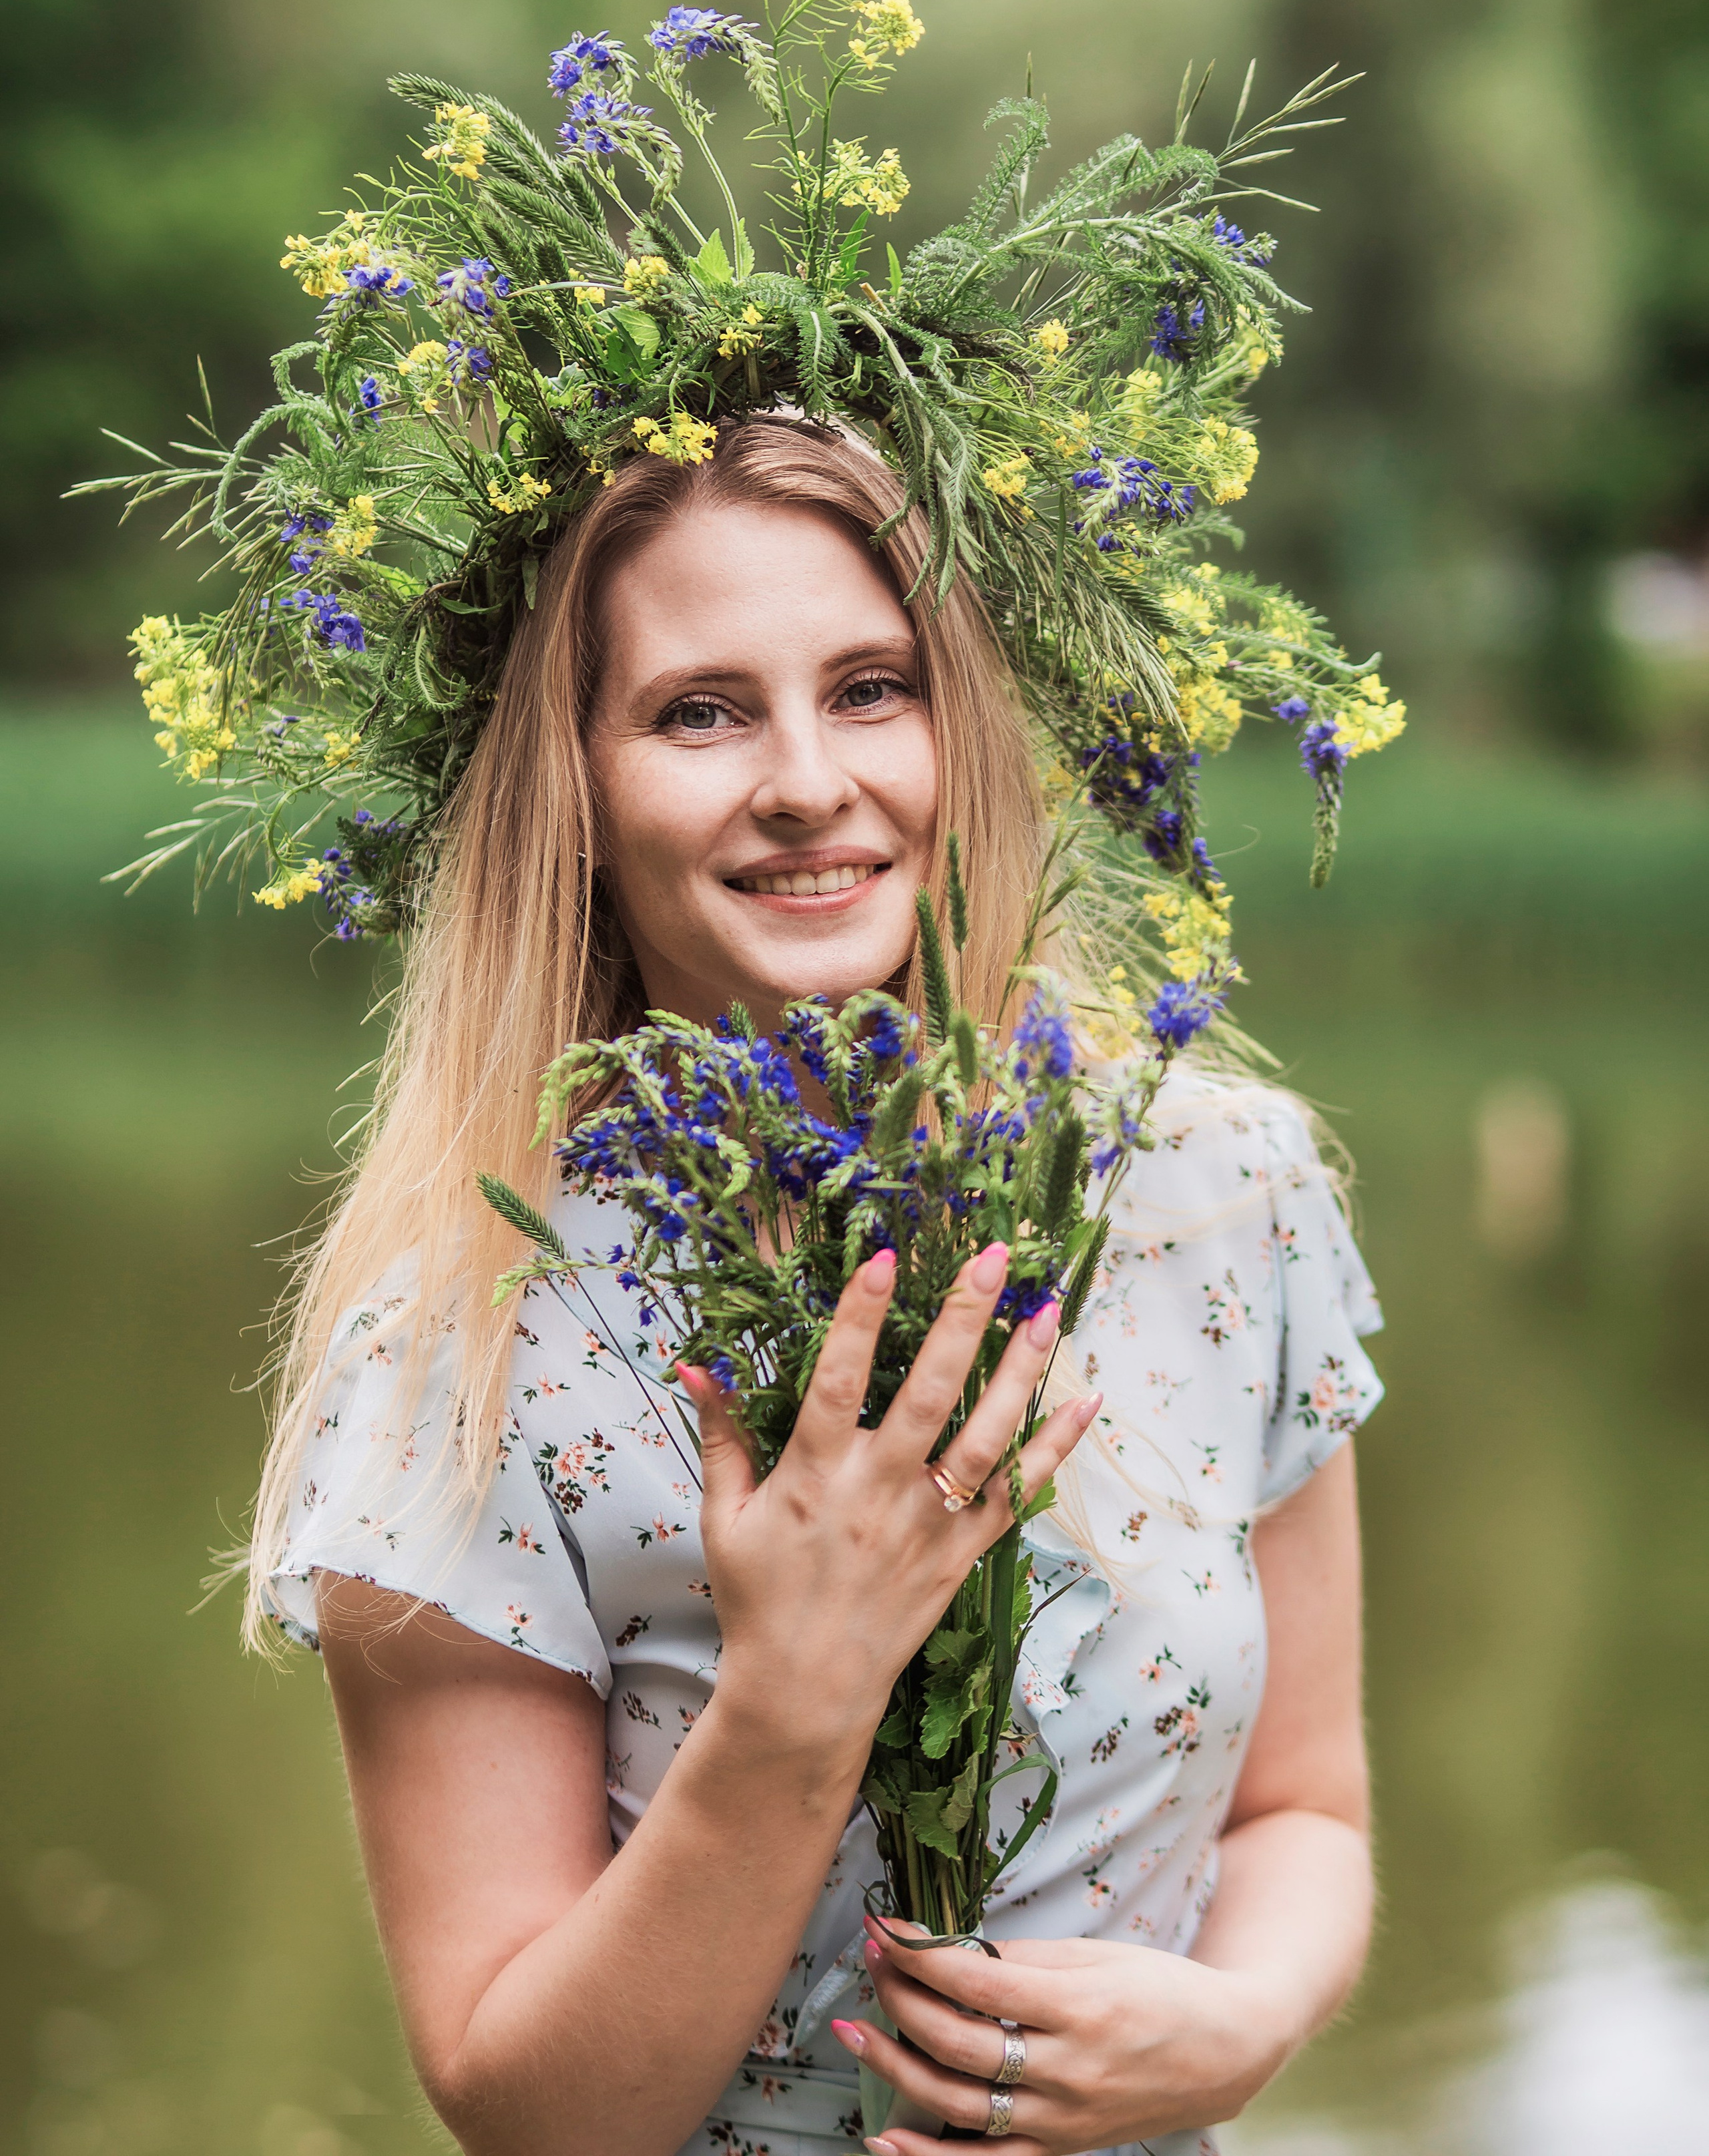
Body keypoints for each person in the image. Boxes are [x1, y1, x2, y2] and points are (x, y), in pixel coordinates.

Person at [251, 419, 1383, 2156]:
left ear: (965, 727)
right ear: (579, 780)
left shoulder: (1215, 1199)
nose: (804, 778)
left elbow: (1309, 1810)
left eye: (871, 686)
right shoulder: (468, 1340)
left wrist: (1233, 2029)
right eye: (702, 709)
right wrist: (796, 1687)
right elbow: (523, 2105)